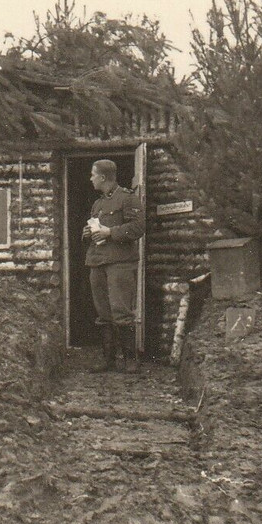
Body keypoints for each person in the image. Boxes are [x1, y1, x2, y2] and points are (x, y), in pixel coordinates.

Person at [81, 159, 145, 372]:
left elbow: (138, 227)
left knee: (121, 310)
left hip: (120, 263)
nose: (90, 179)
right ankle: (107, 359)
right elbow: (94, 230)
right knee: (103, 312)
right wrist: (88, 233)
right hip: (97, 261)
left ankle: (130, 359)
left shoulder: (128, 199)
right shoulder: (98, 204)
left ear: (102, 177)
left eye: (92, 174)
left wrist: (111, 232)